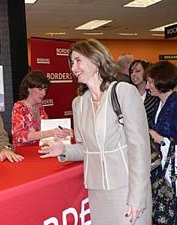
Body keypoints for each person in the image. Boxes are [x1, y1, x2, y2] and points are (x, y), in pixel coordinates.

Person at [39, 39, 151, 225]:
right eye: (71, 63)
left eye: (78, 60)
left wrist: (137, 196)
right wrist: (64, 150)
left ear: (96, 60)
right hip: (97, 192)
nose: (73, 68)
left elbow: (139, 148)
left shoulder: (123, 92)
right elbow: (87, 149)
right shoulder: (79, 103)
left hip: (127, 188)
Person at [145, 60, 177, 225]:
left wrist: (160, 139)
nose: (147, 86)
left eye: (150, 82)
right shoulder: (159, 103)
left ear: (161, 81)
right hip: (162, 169)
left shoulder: (175, 103)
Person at [11, 70, 71, 146]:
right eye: (40, 89)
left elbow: (46, 129)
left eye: (45, 90)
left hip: (38, 150)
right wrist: (51, 132)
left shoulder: (40, 107)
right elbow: (18, 136)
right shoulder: (19, 107)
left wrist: (63, 131)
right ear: (29, 89)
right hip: (23, 153)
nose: (44, 93)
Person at [129, 60, 159, 127]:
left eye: (138, 71)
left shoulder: (155, 95)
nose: (133, 74)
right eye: (131, 72)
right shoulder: (129, 94)